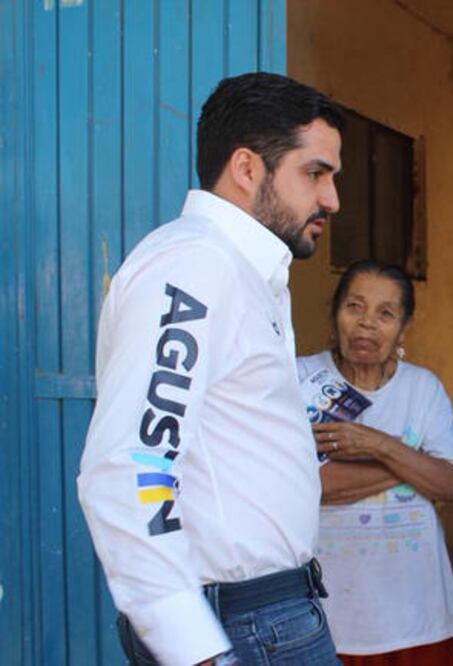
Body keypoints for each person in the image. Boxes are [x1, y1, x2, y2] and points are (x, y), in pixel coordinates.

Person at [78, 72, 345, 666]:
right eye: (314, 173)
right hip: (244, 628)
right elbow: (131, 465)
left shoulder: (242, 270)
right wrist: (195, 650)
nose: (331, 200)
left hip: (265, 618)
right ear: (247, 168)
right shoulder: (195, 267)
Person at [296, 259, 453, 666]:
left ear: (403, 328)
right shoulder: (300, 381)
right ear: (335, 313)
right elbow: (309, 485)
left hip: (416, 612)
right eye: (354, 307)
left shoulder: (422, 388)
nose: (367, 324)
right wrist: (413, 464)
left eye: (385, 313)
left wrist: (377, 444)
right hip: (327, 613)